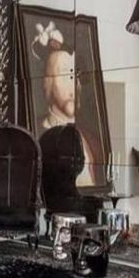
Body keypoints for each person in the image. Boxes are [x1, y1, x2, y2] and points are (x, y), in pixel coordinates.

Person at [32, 21, 102, 187]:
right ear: (47, 83)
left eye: (75, 76)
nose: (74, 84)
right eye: (65, 74)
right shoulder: (33, 136)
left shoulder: (92, 142)